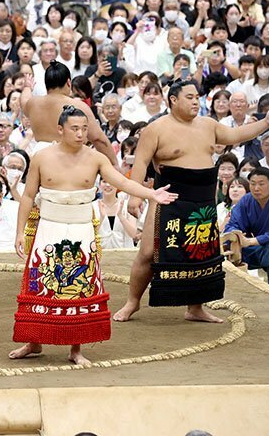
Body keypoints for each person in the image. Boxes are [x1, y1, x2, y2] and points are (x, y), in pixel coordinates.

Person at [9, 105, 177, 363]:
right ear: (60, 129)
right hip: (48, 227)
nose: (80, 133)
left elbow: (122, 182)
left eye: (84, 128)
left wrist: (150, 193)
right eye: (74, 128)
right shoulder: (42, 157)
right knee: (41, 283)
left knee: (81, 287)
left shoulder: (96, 158)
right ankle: (34, 341)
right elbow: (29, 196)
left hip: (81, 230)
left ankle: (76, 349)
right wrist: (20, 232)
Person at [113, 80, 269, 322]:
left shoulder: (208, 125)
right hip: (167, 197)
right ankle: (133, 302)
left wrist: (267, 123)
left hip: (202, 199)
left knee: (199, 254)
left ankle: (195, 308)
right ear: (173, 100)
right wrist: (135, 195)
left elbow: (236, 134)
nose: (195, 101)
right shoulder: (156, 129)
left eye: (196, 97)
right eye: (189, 97)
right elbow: (140, 163)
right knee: (148, 251)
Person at [21, 60, 118, 167]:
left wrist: (27, 87)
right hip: (68, 161)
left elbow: (23, 100)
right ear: (68, 82)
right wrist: (114, 164)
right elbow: (98, 139)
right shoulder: (78, 106)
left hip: (39, 159)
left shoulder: (33, 104)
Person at [224, 168, 269, 289]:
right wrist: (237, 235)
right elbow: (233, 224)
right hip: (256, 248)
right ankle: (238, 289)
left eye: (261, 184)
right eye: (253, 184)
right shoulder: (246, 200)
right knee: (231, 245)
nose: (256, 188)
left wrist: (251, 241)